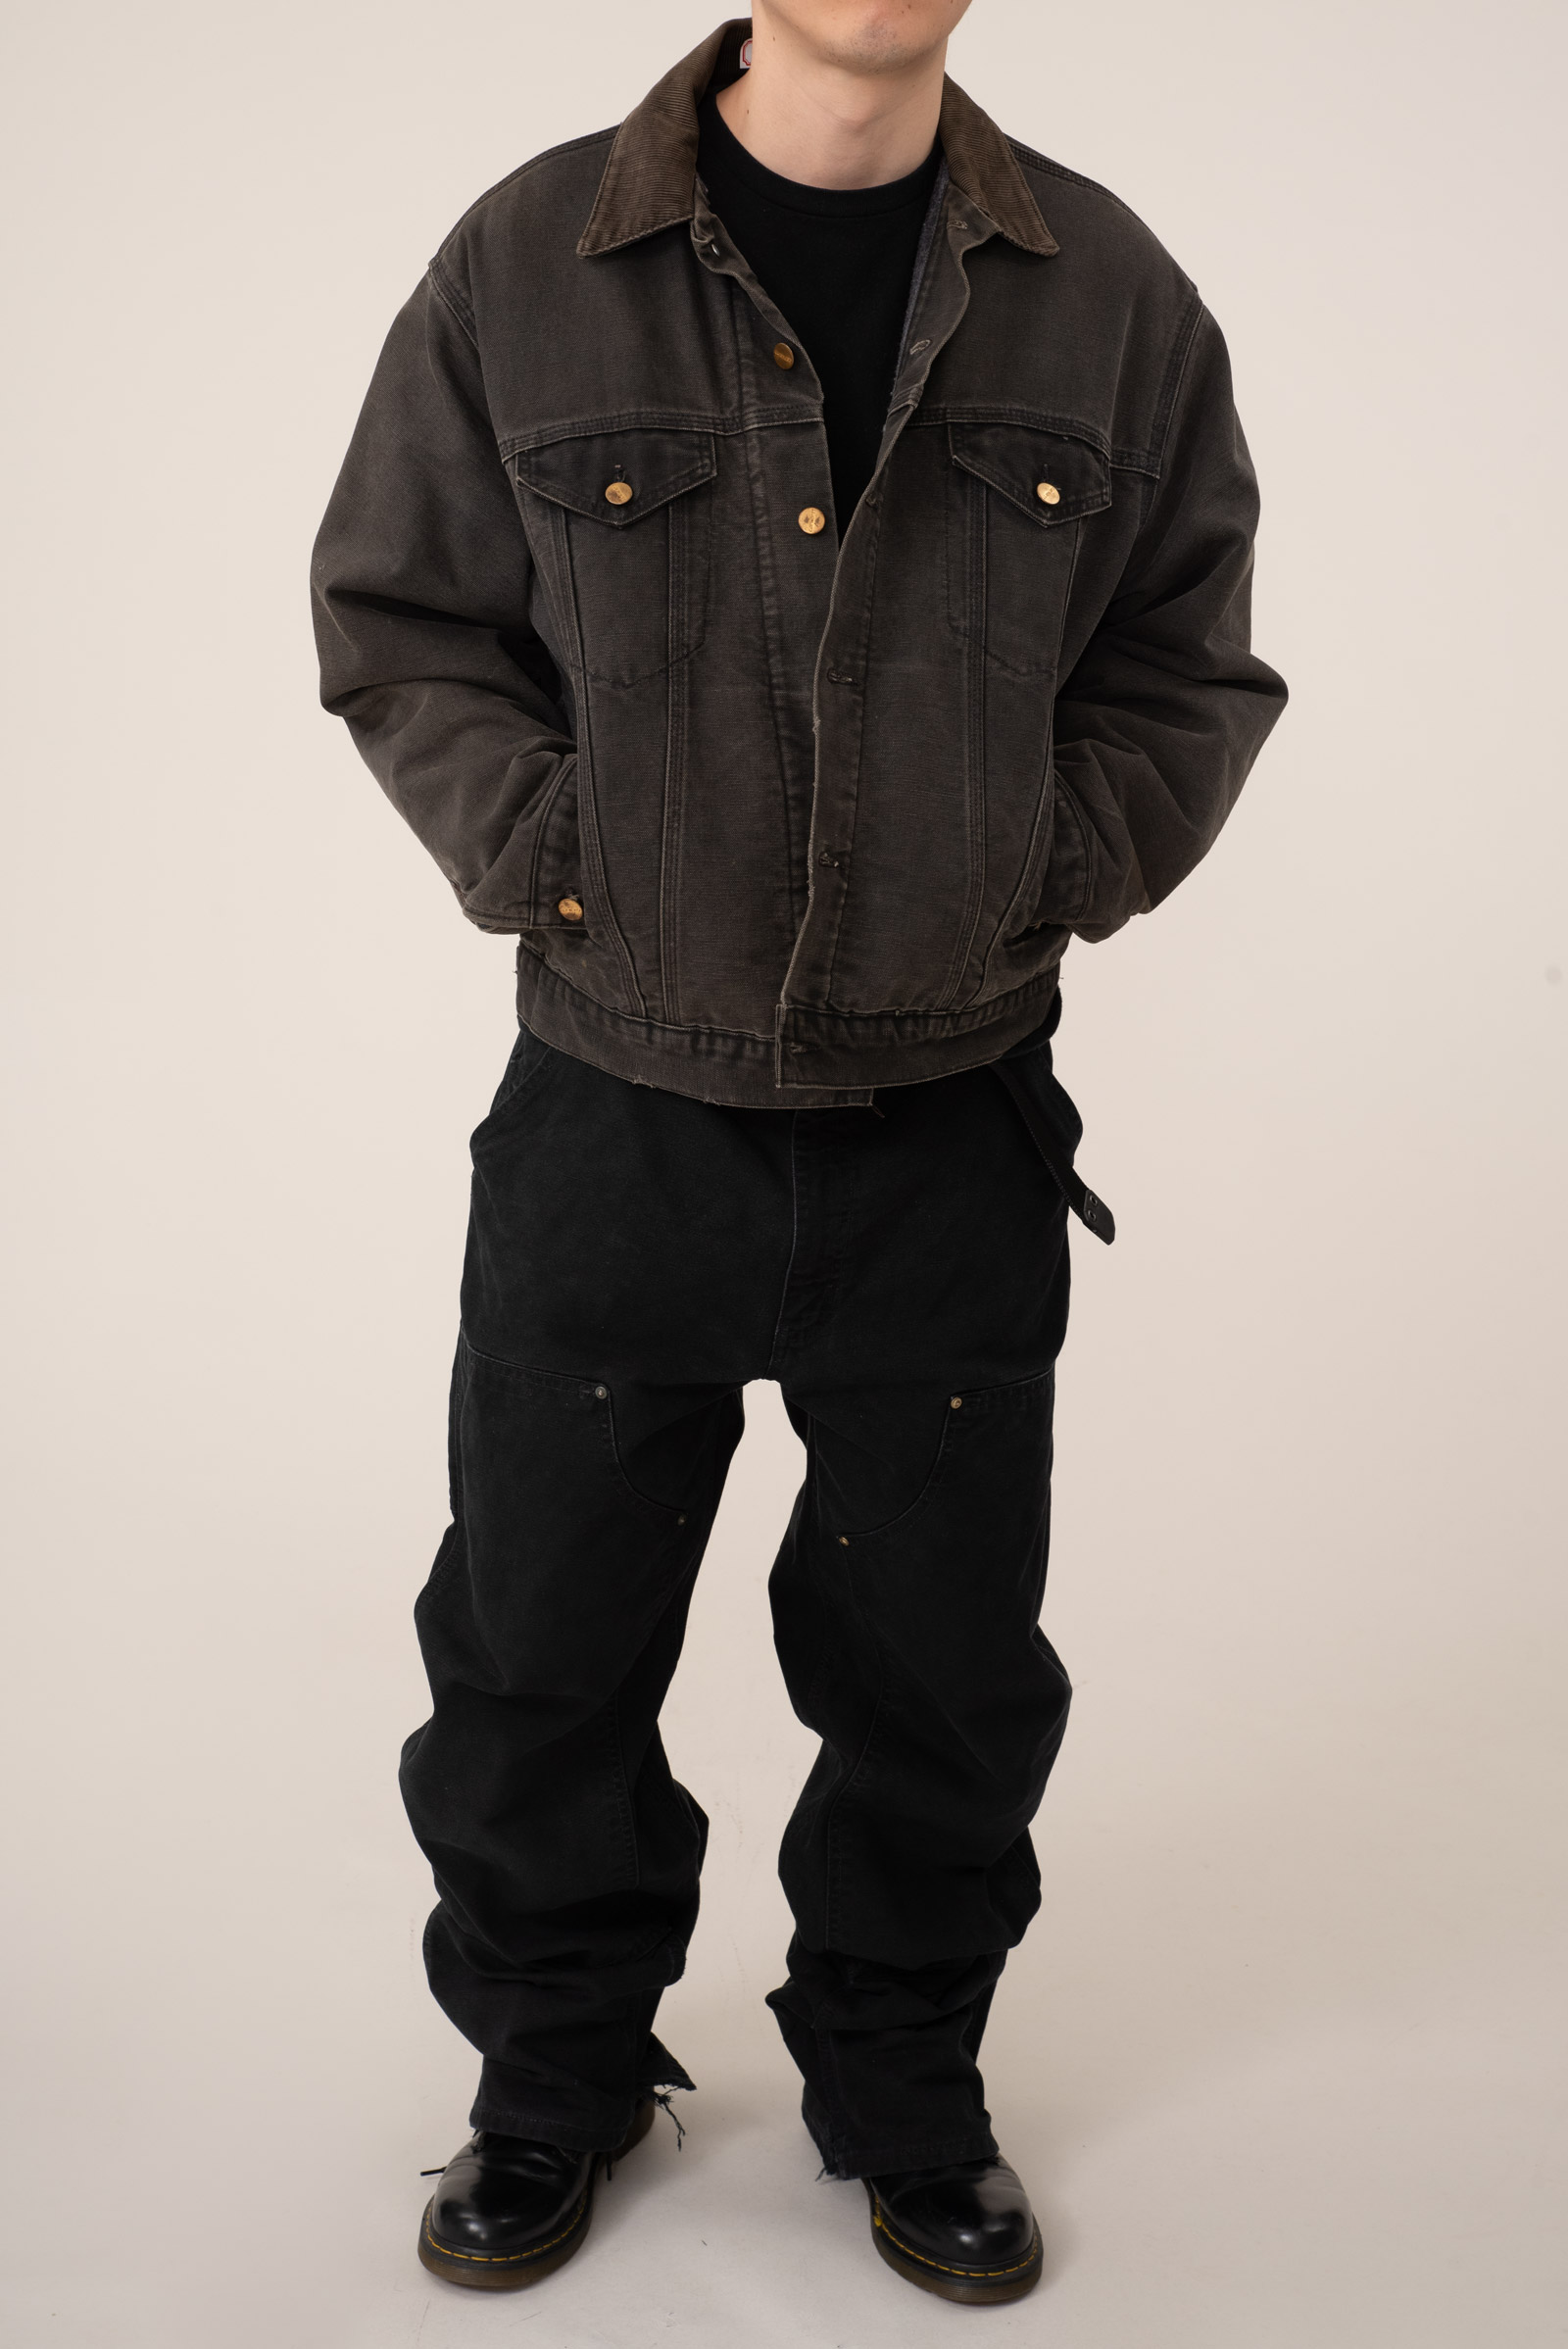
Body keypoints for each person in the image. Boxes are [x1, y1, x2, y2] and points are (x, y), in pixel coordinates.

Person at [311, 0, 1286, 2307]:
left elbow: (1184, 667)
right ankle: (550, 2073)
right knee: (536, 1654)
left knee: (941, 1668)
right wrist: (563, 858)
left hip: (947, 1131)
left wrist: (1036, 861)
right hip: (610, 1123)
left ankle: (905, 2080)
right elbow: (404, 623)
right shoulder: (524, 264)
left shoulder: (1108, 297)